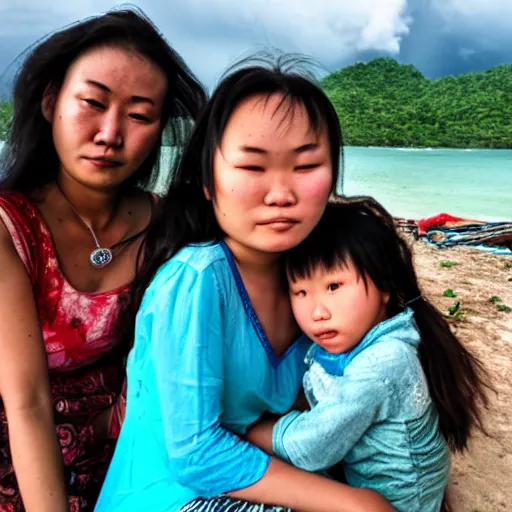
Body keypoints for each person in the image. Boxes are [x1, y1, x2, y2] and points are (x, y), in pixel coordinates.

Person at [95, 57, 393, 512]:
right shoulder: (196, 280)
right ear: (207, 183)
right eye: (253, 168)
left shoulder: (315, 285)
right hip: (172, 498)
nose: (280, 194)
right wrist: (354, 503)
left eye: (306, 165)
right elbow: (195, 454)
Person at [0, 7, 206, 512]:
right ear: (51, 102)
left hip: (136, 454)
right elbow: (27, 400)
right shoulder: (10, 227)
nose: (110, 133)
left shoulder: (172, 228)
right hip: (22, 463)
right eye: (92, 103)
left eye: (139, 115)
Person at [246, 198, 492, 511]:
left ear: (384, 286)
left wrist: (251, 430)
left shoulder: (382, 362)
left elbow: (311, 447)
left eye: (334, 286)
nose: (317, 312)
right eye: (301, 292)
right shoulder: (372, 337)